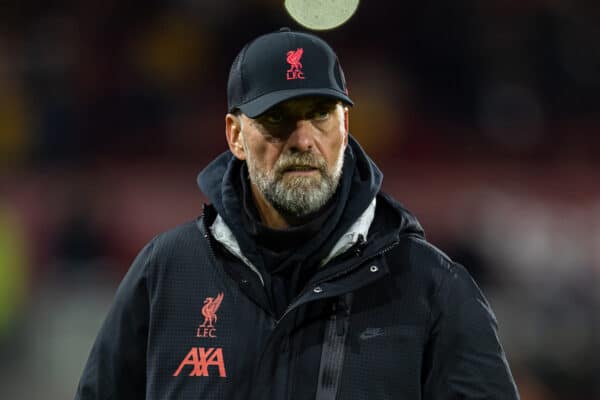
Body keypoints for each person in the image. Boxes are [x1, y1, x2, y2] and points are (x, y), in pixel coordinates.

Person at [75, 28, 520, 400]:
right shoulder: (168, 273)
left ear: (346, 126)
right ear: (235, 135)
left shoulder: (431, 288)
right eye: (278, 117)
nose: (303, 139)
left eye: (320, 114)